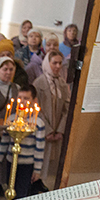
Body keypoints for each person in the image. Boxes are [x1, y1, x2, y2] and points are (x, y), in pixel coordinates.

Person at [0, 85, 44, 200]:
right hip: (11, 161)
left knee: (21, 195)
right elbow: (4, 142)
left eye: (26, 98)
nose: (23, 101)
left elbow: (39, 148)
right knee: (9, 191)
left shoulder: (37, 123)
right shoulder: (11, 119)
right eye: (20, 98)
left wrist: (37, 170)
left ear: (34, 101)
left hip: (27, 164)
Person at [32, 49, 71, 186]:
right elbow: (36, 108)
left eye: (60, 63)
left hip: (57, 129)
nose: (58, 66)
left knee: (53, 162)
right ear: (47, 64)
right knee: (40, 159)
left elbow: (67, 108)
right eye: (54, 63)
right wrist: (47, 129)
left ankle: (47, 183)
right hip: (44, 129)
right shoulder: (38, 83)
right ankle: (36, 182)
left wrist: (60, 129)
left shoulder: (62, 84)